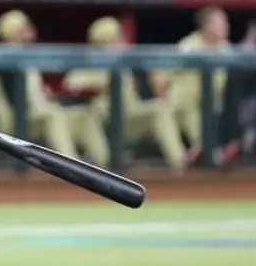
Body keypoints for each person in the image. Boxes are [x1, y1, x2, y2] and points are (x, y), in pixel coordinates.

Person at [0, 10, 109, 166]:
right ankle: (71, 164)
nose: (30, 30)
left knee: (84, 115)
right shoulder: (3, 58)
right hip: (17, 120)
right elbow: (17, 102)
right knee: (53, 115)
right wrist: (45, 104)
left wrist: (48, 97)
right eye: (24, 28)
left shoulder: (27, 55)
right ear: (13, 32)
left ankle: (105, 165)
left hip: (39, 115)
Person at [65, 17, 187, 173]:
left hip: (130, 119)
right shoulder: (89, 62)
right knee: (91, 115)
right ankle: (104, 166)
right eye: (115, 38)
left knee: (159, 109)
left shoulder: (125, 61)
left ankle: (180, 164)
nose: (120, 42)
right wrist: (99, 86)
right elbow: (71, 85)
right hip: (104, 122)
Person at [153, 7, 256, 164]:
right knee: (195, 120)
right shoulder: (189, 47)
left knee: (225, 111)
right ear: (207, 26)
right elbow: (159, 76)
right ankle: (193, 159)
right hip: (183, 106)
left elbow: (240, 57)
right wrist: (164, 99)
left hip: (209, 108)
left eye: (225, 22)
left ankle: (207, 155)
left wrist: (251, 39)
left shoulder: (223, 47)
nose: (226, 26)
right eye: (221, 23)